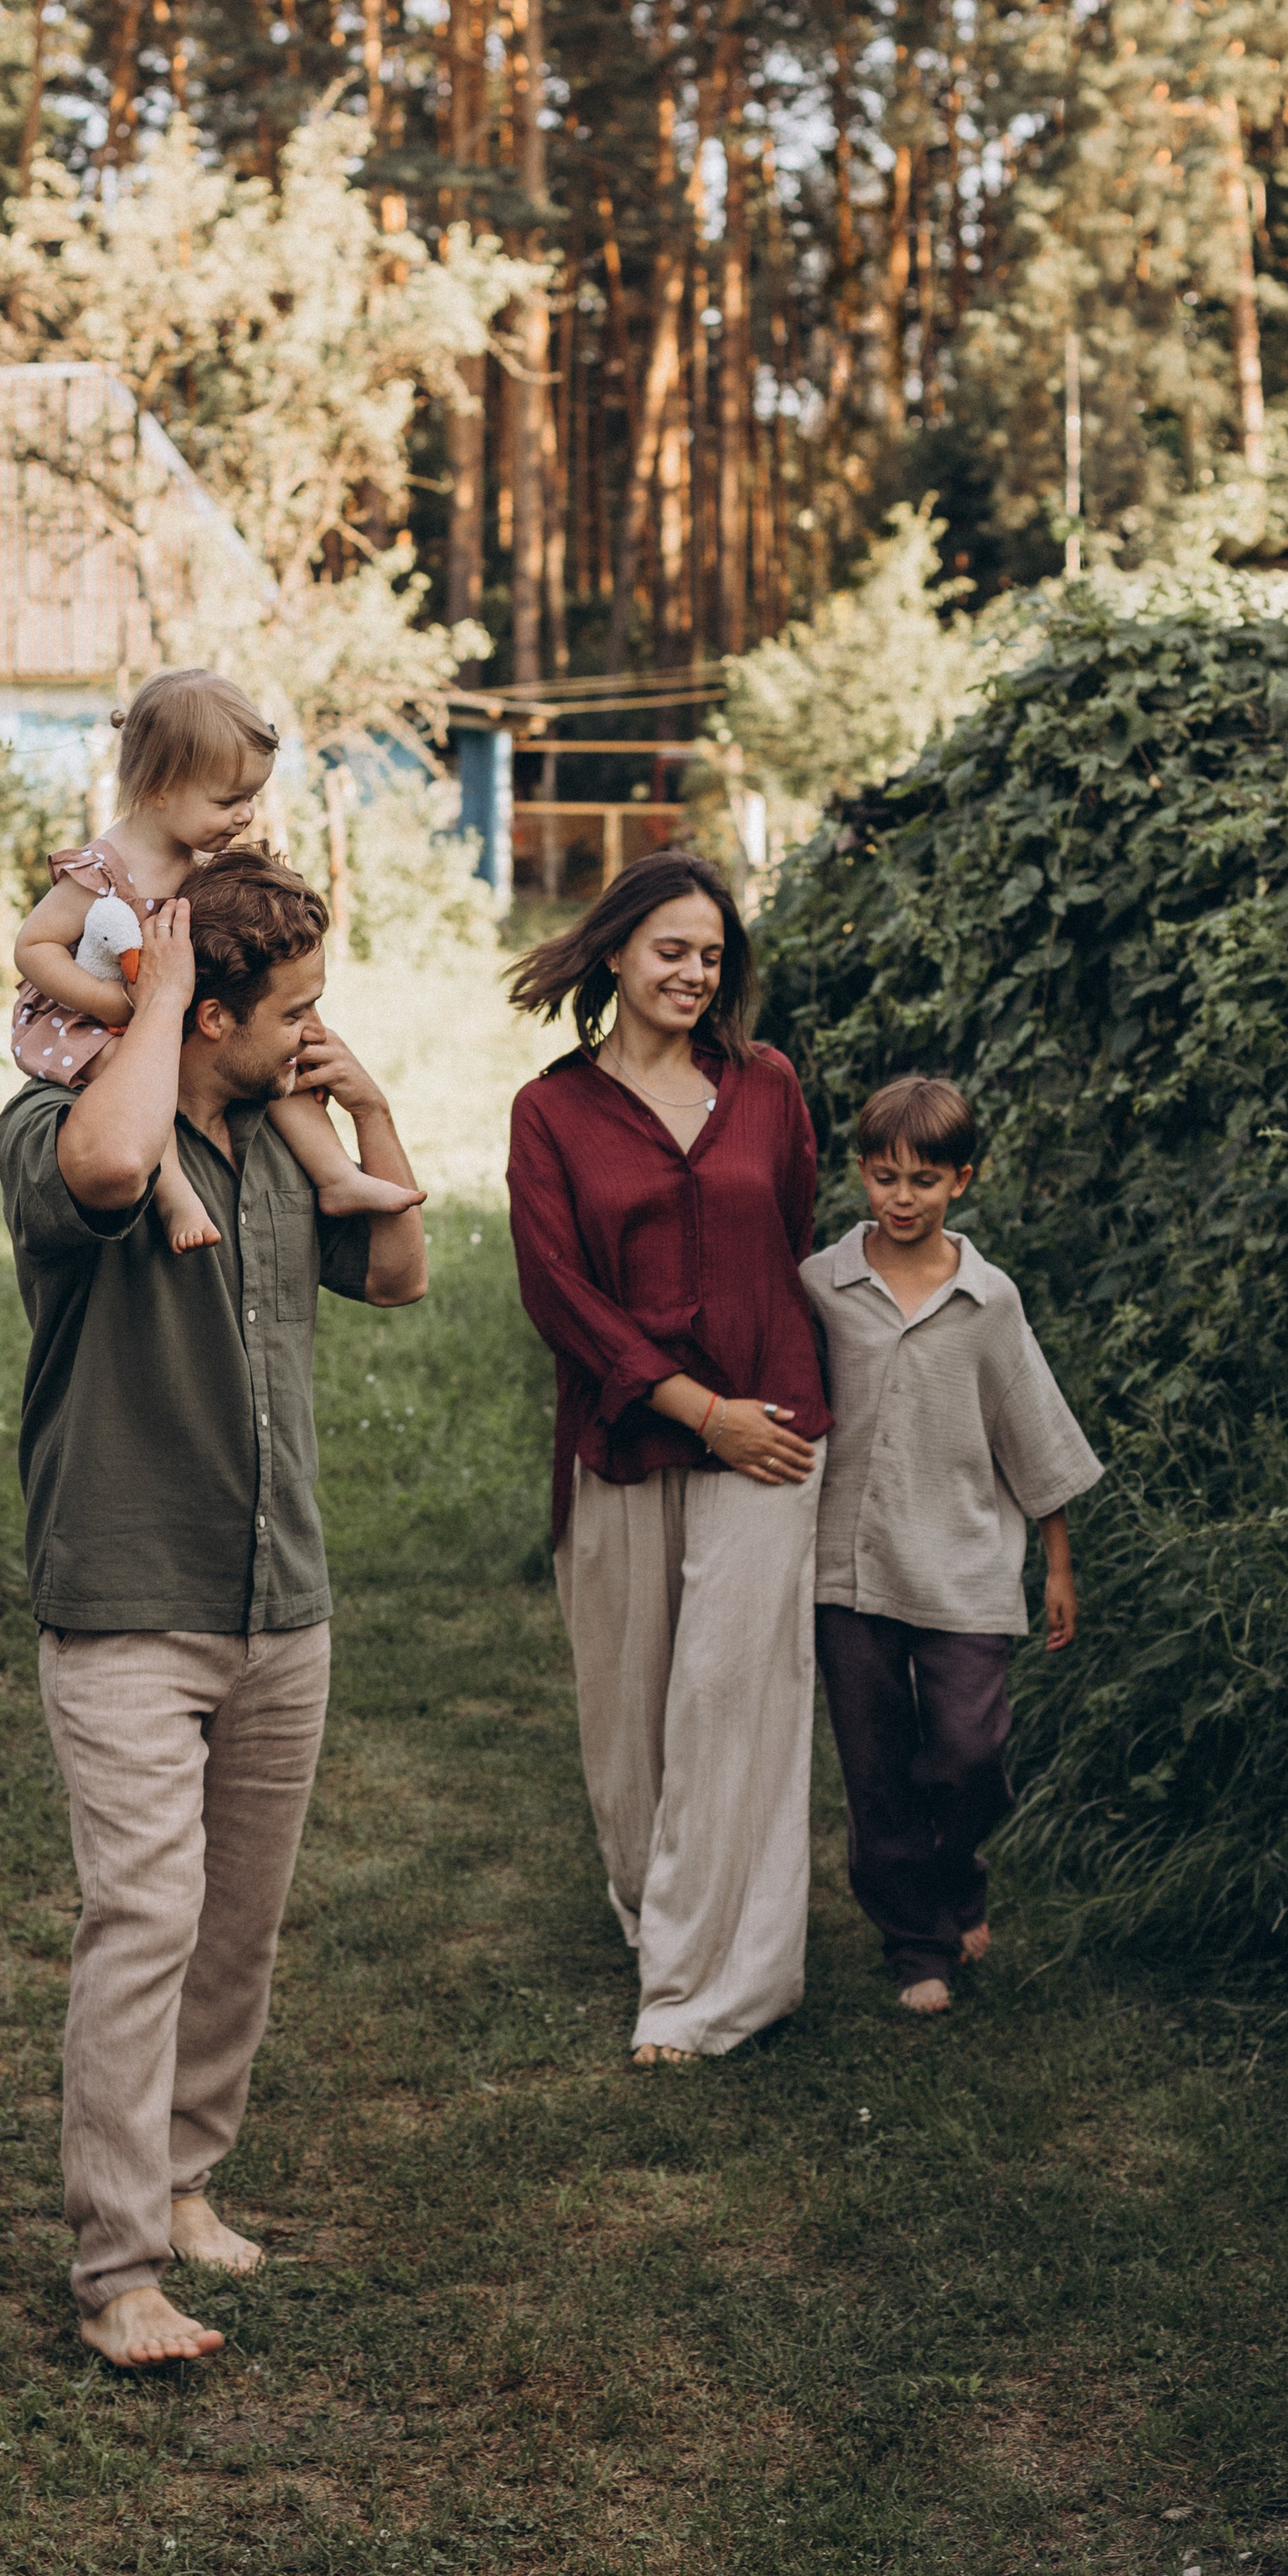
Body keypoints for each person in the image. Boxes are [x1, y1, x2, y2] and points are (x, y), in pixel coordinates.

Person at [0, 847, 428, 2367]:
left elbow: (400, 1273)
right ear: (203, 1009)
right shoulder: (61, 1123)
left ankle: (182, 2182)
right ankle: (115, 2269)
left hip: (278, 1595)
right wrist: (157, 1000)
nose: (312, 1026)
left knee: (234, 1926)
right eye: (291, 1008)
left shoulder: (276, 1136)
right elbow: (112, 1176)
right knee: (147, 1918)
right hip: (125, 1595)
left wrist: (367, 1106)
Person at [505, 850, 830, 2065]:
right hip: (627, 1438)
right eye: (671, 949)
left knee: (728, 1703)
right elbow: (560, 1294)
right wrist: (701, 1409)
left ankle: (708, 1990)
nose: (695, 971)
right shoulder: (552, 1112)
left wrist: (749, 1411)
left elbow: (782, 1238)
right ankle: (665, 1923)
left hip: (776, 1438)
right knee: (629, 1715)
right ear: (617, 952)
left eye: (712, 954)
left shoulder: (767, 1087)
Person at [800, 1073, 1102, 2015]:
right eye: (885, 1177)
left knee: (967, 1752)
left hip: (965, 1562)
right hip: (850, 1565)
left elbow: (1032, 1426)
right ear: (859, 1174)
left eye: (923, 1180)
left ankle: (958, 1868)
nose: (901, 1198)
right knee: (876, 1765)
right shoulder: (821, 1283)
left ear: (961, 1181)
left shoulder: (988, 1299)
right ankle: (916, 1944)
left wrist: (1056, 1563)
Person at [13, 665, 422, 1255]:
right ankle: (176, 1194)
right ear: (159, 789)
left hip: (161, 1008)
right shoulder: (103, 869)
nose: (245, 815)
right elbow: (32, 946)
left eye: (251, 798)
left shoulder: (197, 864)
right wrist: (119, 1002)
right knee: (143, 1089)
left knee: (274, 1064)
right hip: (89, 1022)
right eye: (228, 800)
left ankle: (336, 1176)